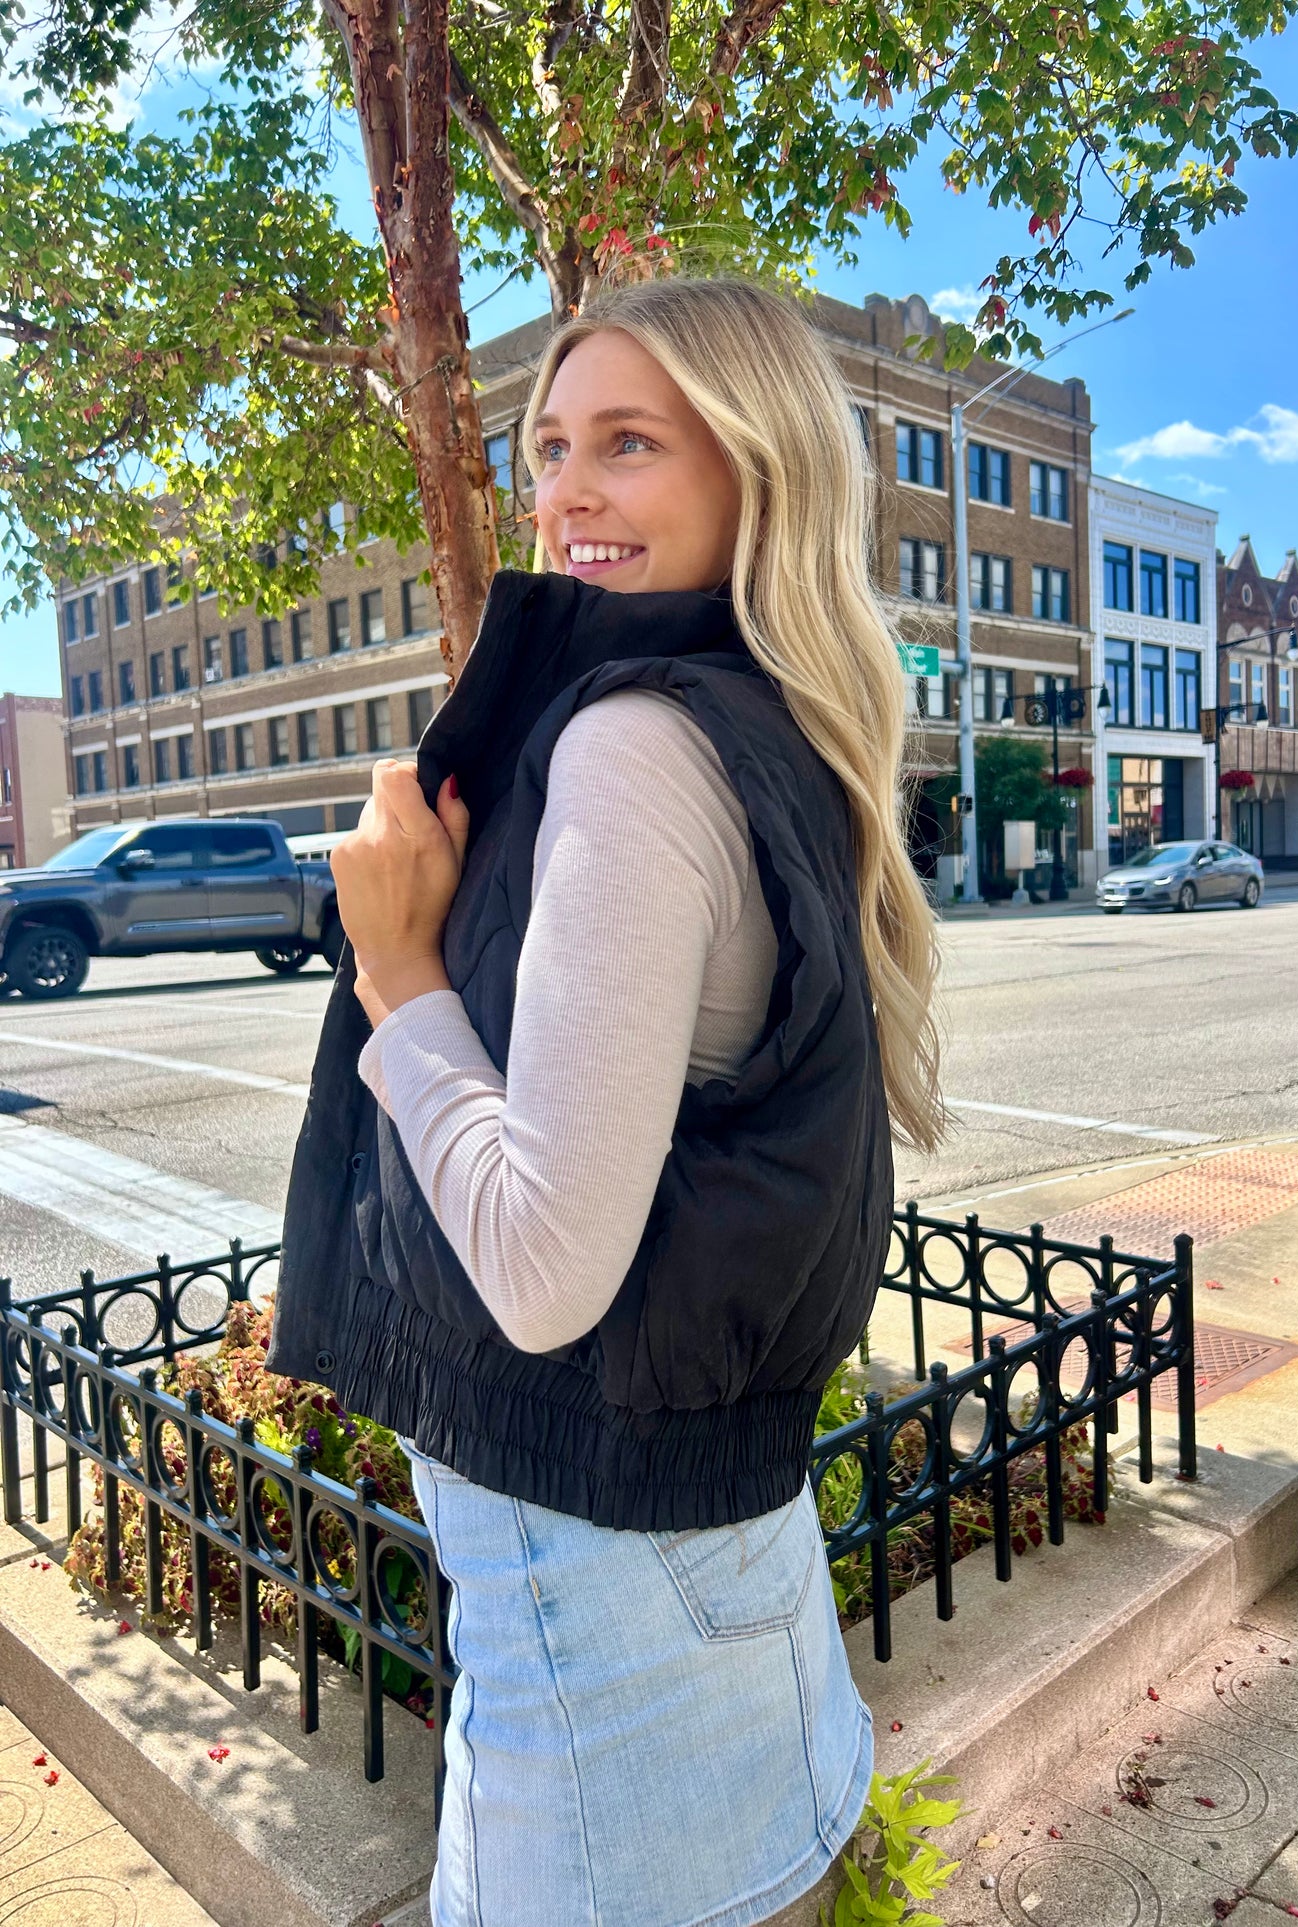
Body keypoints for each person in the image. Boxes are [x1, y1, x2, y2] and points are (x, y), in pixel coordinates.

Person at [267, 275, 946, 1927]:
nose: (564, 491)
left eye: (628, 444)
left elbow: (543, 1269)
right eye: (551, 444)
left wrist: (394, 969)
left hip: (601, 1658)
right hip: (718, 1583)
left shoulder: (638, 747)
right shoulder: (769, 725)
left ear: (756, 470)